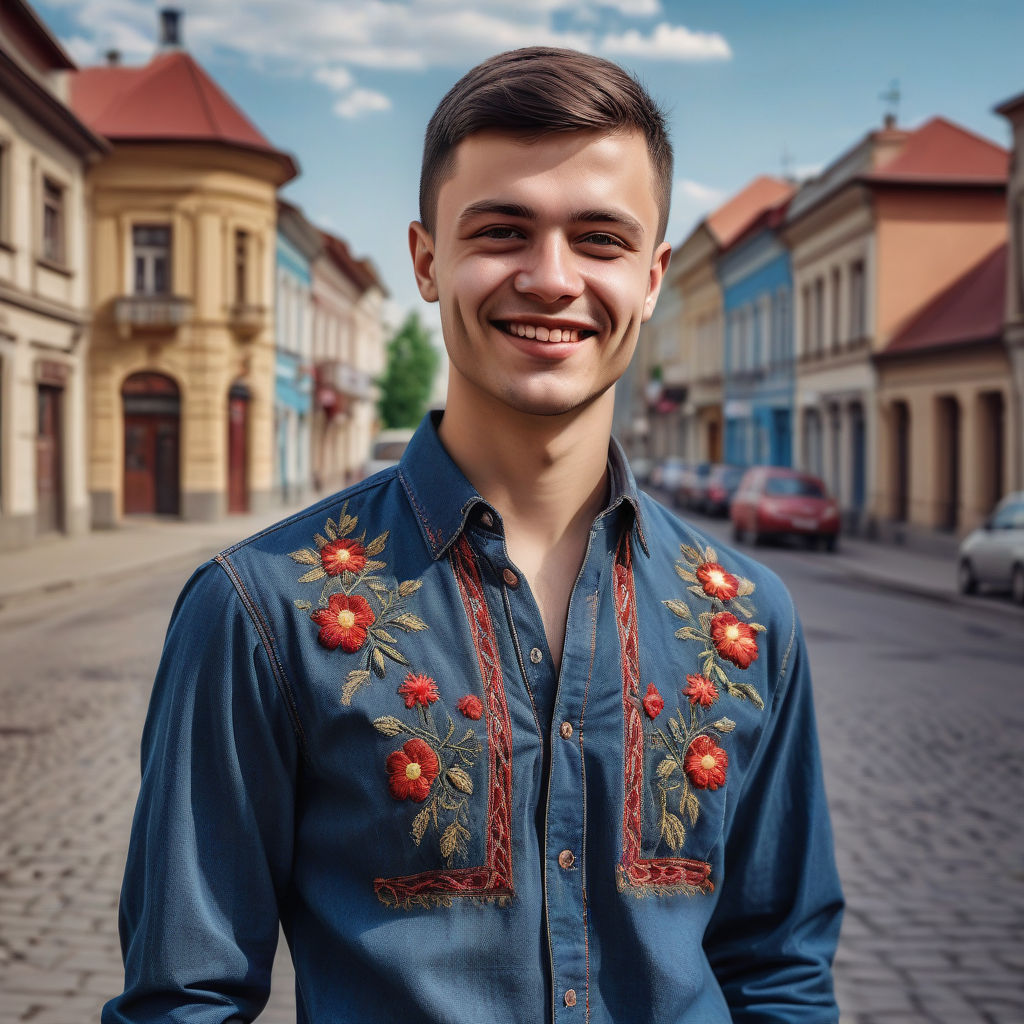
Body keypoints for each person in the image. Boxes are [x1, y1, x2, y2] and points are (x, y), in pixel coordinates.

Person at [104, 46, 843, 1024]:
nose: (550, 278)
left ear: (654, 275)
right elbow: (183, 997)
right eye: (502, 231)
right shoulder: (260, 609)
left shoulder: (749, 616)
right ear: (425, 259)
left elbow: (778, 970)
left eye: (599, 239)